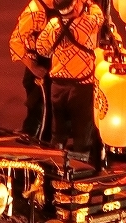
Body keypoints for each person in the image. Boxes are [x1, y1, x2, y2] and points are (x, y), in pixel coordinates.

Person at [35, 0, 104, 158]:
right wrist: (89, 3)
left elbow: (41, 48)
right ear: (76, 6)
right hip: (81, 88)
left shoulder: (53, 25)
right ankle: (80, 166)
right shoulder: (86, 23)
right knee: (82, 135)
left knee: (58, 133)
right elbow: (99, 16)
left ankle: (55, 163)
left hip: (58, 87)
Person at [9, 0, 60, 141]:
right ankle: (35, 140)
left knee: (53, 111)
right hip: (39, 68)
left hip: (56, 68)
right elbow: (15, 41)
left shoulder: (62, 7)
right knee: (40, 110)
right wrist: (33, 67)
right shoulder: (34, 12)